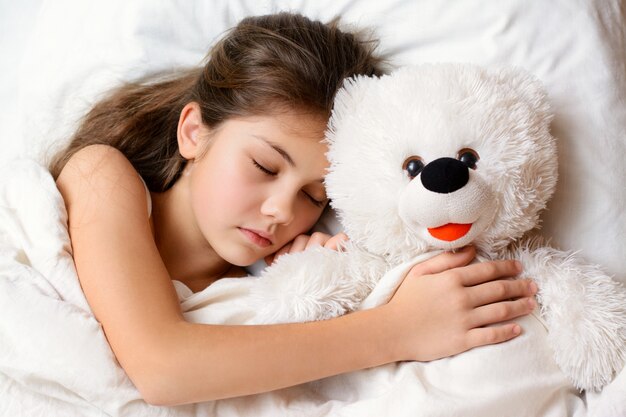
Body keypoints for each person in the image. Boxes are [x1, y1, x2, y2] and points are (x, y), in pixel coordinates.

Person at [50, 12, 537, 406]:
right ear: (194, 131)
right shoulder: (103, 175)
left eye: (313, 197)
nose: (282, 210)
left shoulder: (259, 288)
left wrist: (308, 283)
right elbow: (163, 368)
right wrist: (399, 329)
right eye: (264, 166)